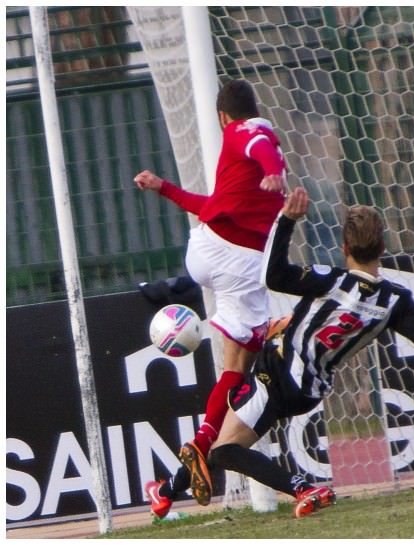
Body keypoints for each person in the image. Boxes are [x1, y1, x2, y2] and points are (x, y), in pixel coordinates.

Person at [145, 187, 414, 519]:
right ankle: (166, 491)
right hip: (309, 390)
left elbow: (273, 276)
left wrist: (286, 221)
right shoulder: (395, 301)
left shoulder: (330, 281)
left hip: (277, 372)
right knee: (224, 439)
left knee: (226, 448)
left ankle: (302, 488)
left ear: (344, 248)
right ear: (382, 247)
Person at [134, 79, 288, 504]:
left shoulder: (238, 148)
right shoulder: (254, 133)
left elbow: (212, 207)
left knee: (232, 368)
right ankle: (212, 442)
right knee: (245, 362)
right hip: (237, 261)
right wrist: (274, 171)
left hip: (207, 249)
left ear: (222, 116)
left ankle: (193, 455)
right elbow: (260, 143)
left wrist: (162, 187)